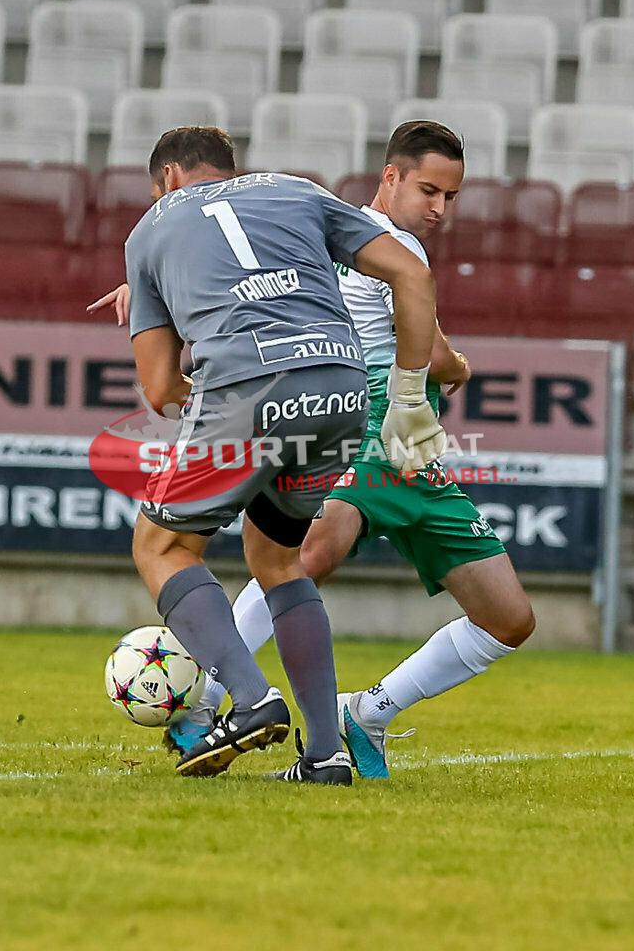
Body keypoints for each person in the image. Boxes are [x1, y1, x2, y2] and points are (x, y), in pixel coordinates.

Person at [160, 121, 536, 778]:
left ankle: (367, 711)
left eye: (451, 197)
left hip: (414, 461)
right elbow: (442, 357)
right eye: (429, 190)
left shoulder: (335, 236)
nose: (439, 209)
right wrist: (459, 367)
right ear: (389, 176)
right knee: (301, 559)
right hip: (367, 431)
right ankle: (208, 707)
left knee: (508, 618)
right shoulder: (377, 245)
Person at [108, 125, 453, 786]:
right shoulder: (297, 190)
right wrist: (409, 396)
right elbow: (410, 273)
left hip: (249, 384)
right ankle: (325, 756)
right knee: (277, 559)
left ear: (170, 178)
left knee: (162, 546)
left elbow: (158, 388)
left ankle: (249, 699)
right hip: (343, 387)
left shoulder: (151, 228)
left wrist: (212, 402)